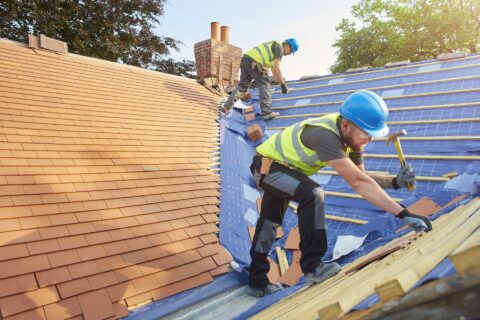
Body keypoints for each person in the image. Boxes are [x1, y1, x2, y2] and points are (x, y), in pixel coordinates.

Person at [247, 90, 432, 297]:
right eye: (366, 133)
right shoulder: (324, 135)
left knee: (270, 222)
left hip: (286, 169)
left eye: (372, 135)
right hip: (266, 167)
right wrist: (404, 214)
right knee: (312, 194)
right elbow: (359, 183)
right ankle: (313, 267)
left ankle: (257, 281)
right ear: (345, 125)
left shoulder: (351, 138)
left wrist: (395, 182)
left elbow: (361, 177)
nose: (369, 140)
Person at [223, 38, 299, 120]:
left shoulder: (273, 47)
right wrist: (283, 85)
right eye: (290, 51)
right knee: (265, 85)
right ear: (287, 45)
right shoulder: (279, 48)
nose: (289, 54)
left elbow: (274, 70)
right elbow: (277, 68)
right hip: (255, 62)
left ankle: (226, 107)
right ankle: (267, 113)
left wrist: (280, 81)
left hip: (245, 59)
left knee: (242, 87)